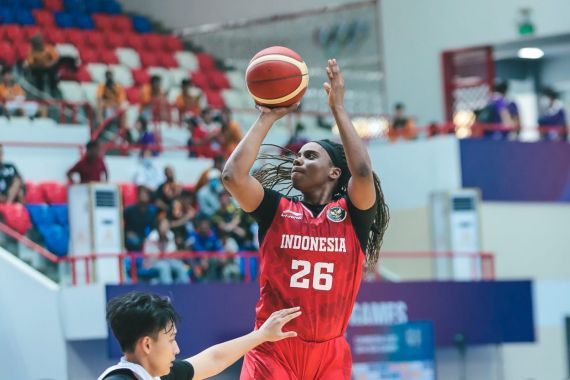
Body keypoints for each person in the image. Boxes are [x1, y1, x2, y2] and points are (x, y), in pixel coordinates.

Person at [222, 59, 389, 379]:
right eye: (298, 155)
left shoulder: (352, 216)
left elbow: (364, 172)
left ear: (334, 172)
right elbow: (232, 176)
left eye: (310, 155)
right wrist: (266, 116)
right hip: (273, 347)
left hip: (330, 353)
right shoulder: (276, 210)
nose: (298, 159)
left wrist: (338, 109)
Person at [98, 292, 301, 380]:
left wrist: (262, 335)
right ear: (147, 345)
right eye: (170, 340)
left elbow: (214, 358)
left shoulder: (157, 375)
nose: (176, 349)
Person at [143, 217, 189, 284]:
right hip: (152, 262)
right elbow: (150, 256)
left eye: (167, 225)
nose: (165, 227)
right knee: (164, 266)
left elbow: (172, 252)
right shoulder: (152, 236)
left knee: (179, 265)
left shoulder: (170, 235)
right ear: (159, 226)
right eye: (163, 225)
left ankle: (186, 287)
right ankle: (168, 289)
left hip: (167, 260)